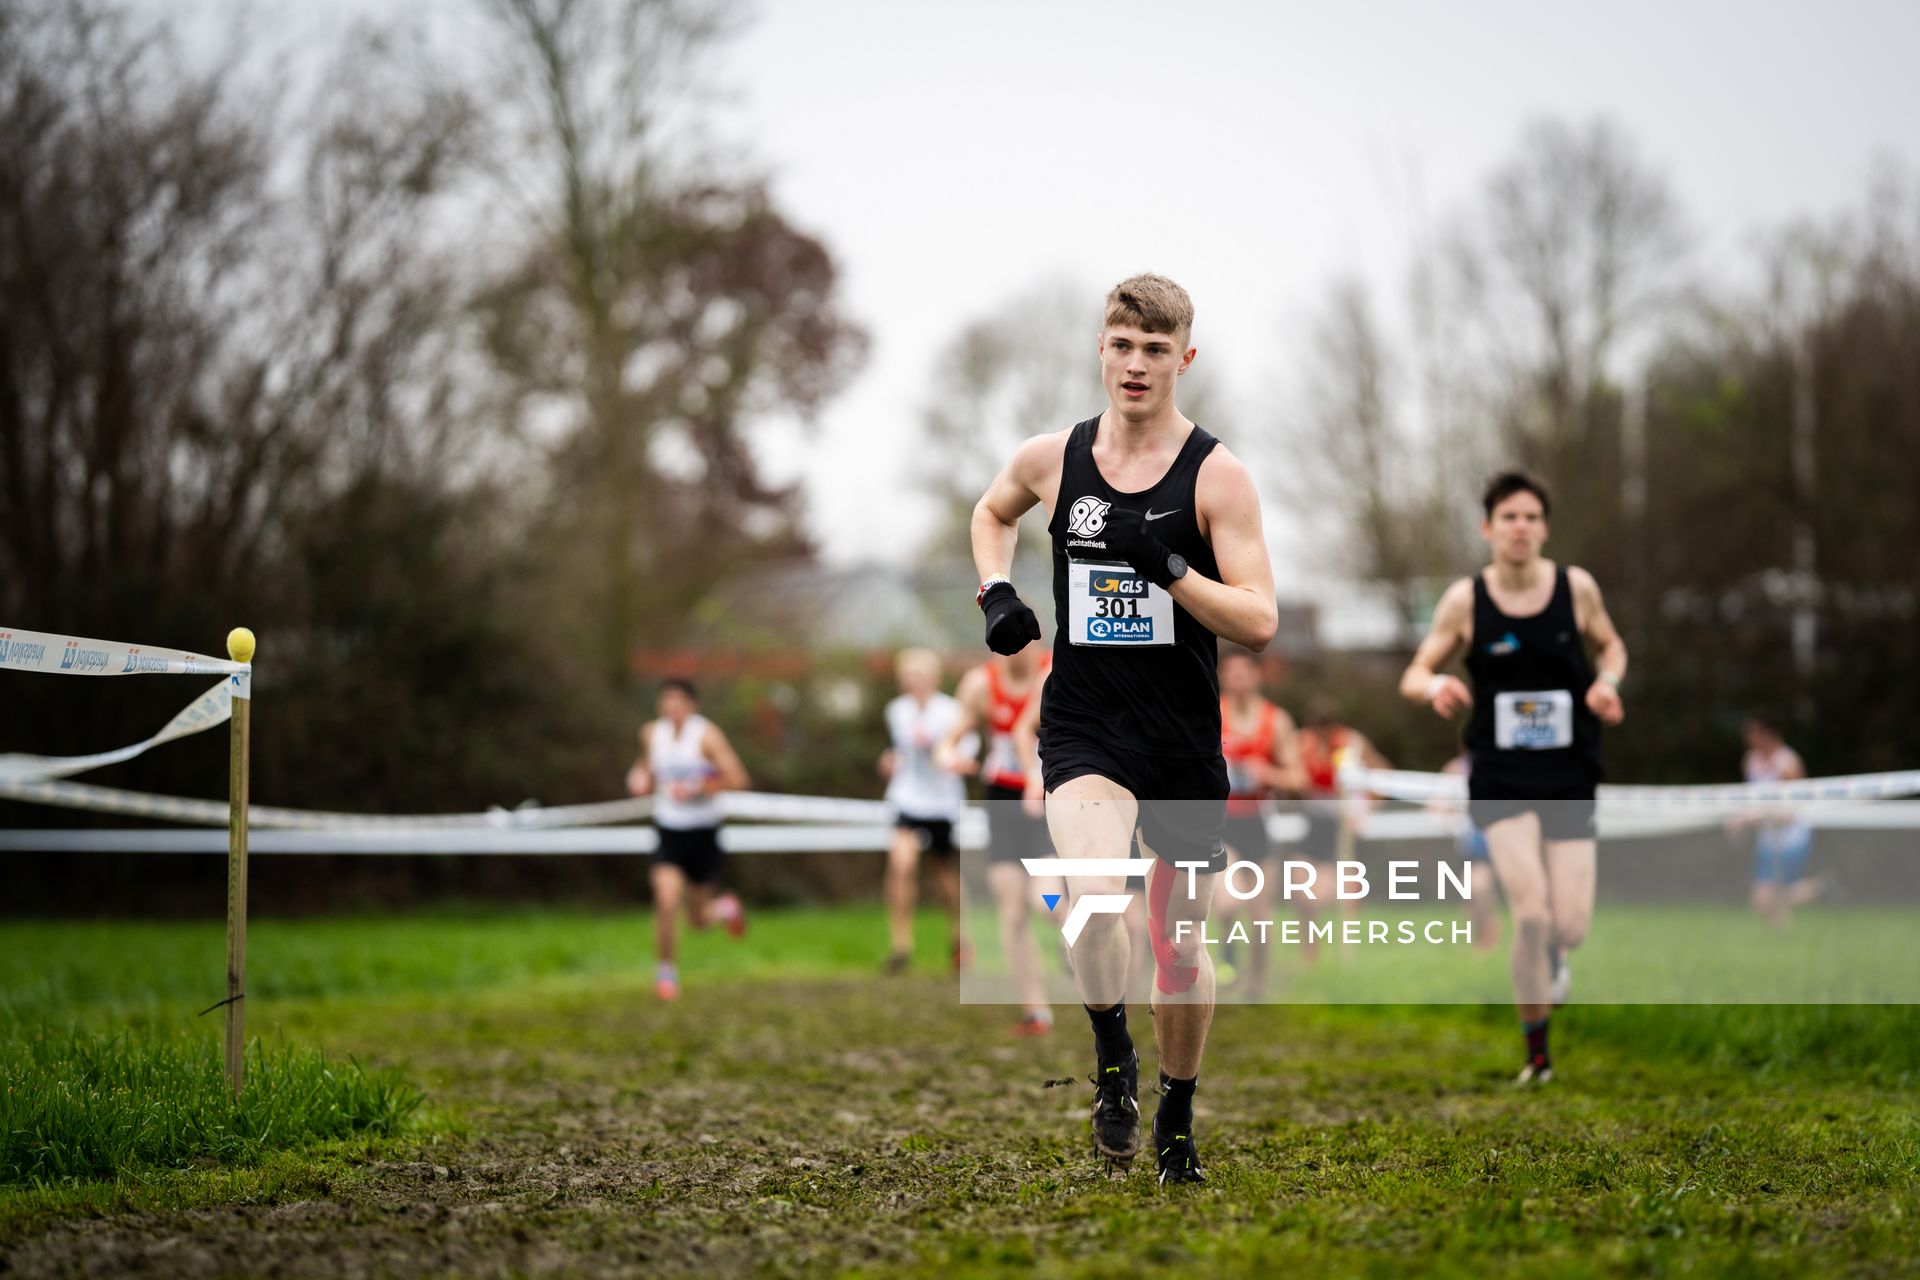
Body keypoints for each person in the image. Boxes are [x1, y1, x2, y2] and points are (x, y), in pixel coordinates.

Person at [970, 273, 1279, 1185]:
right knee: (1095, 893)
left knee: (1180, 947)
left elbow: (1259, 618)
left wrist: (1171, 567)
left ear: (1184, 359)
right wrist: (997, 594)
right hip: (1086, 728)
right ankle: (1115, 1061)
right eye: (1121, 344)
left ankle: (1178, 1112)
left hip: (1180, 739)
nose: (1135, 364)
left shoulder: (1218, 476)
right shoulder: (1051, 459)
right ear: (1099, 350)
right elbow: (991, 515)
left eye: (1155, 349)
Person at [1399, 470, 1627, 1086]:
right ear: (1488, 528)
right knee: (1529, 914)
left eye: (1531, 517)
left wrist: (1606, 685)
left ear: (1544, 527)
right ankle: (1539, 1055)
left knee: (1569, 926)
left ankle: (1555, 955)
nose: (1520, 527)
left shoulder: (1575, 589)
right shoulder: (1466, 600)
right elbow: (1414, 673)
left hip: (1570, 771)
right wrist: (1437, 684)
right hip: (1501, 775)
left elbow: (1612, 647)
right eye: (1509, 518)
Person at [938, 641, 1060, 1035]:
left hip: (1046, 797)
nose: (1012, 651)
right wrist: (947, 757)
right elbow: (950, 739)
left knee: (1045, 899)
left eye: (1021, 641)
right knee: (1011, 911)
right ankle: (1036, 1010)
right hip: (1004, 801)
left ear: (1037, 640)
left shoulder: (1054, 672)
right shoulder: (980, 683)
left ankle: (1079, 945)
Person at [626, 678, 751, 1001]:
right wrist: (639, 777)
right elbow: (647, 766)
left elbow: (738, 778)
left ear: (692, 705)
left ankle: (724, 909)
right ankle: (666, 973)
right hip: (669, 829)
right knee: (666, 902)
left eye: (679, 700)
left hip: (703, 832)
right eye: (666, 700)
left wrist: (696, 788)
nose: (672, 706)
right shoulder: (651, 733)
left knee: (697, 919)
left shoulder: (706, 735)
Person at [1216, 648, 1306, 997]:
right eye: (1231, 672)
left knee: (1261, 917)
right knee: (1226, 902)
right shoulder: (1211, 713)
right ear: (1222, 676)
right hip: (1219, 823)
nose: (1238, 678)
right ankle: (1227, 955)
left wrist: (1265, 772)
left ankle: (1255, 986)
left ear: (1257, 676)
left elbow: (1299, 778)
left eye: (1245, 672)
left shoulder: (1276, 721)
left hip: (1257, 822)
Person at [881, 648, 971, 974]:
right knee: (901, 864)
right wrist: (890, 760)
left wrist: (945, 756)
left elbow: (966, 754)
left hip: (941, 803)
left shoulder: (951, 711)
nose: (913, 683)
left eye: (919, 677)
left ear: (933, 678)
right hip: (906, 799)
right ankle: (901, 944)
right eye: (907, 677)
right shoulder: (896, 711)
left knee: (943, 875)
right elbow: (899, 751)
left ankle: (959, 937)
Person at [1294, 697, 1388, 962]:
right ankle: (1310, 954)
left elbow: (1382, 774)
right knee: (1303, 893)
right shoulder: (1301, 743)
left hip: (1344, 827)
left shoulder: (1352, 742)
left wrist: (1366, 809)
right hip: (1315, 825)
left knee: (1342, 894)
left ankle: (1350, 957)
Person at [1738, 713, 1822, 927]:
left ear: (1768, 734)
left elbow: (1793, 807)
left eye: (1754, 733)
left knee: (1766, 897)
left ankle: (1821, 889)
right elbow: (1751, 800)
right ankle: (1783, 938)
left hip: (1791, 837)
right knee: (1766, 900)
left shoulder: (1788, 762)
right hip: (1768, 838)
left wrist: (1758, 815)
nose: (1749, 738)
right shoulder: (1751, 761)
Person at [1438, 753, 1502, 952]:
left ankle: (1487, 931)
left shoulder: (1505, 764)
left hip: (1503, 840)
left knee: (1477, 886)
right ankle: (1483, 935)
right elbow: (1436, 805)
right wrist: (1452, 820)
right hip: (1474, 846)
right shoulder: (1457, 769)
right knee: (1469, 888)